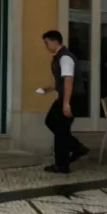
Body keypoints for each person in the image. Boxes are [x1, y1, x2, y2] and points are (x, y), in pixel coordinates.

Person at [40, 30, 88, 173]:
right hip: (68, 96)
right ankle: (76, 147)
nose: (46, 46)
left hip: (73, 97)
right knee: (51, 121)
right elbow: (62, 81)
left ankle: (62, 165)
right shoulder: (59, 57)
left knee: (61, 129)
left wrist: (66, 103)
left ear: (56, 42)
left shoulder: (65, 58)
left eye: (47, 43)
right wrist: (48, 89)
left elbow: (68, 80)